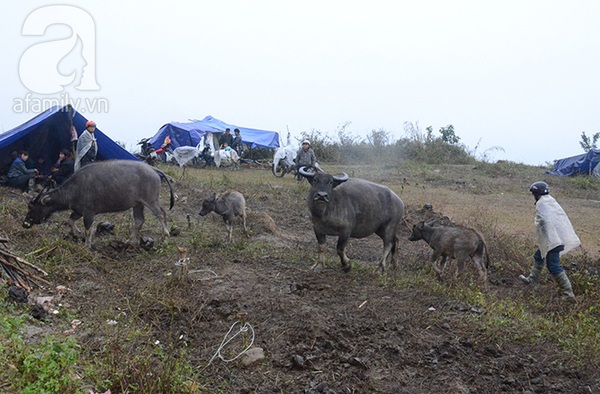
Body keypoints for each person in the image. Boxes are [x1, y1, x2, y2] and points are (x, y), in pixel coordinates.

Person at [519, 181, 580, 301]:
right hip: (556, 237)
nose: (533, 196)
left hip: (554, 240)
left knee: (553, 266)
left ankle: (568, 294)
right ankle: (532, 279)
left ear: (537, 193)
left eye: (533, 194)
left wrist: (543, 230)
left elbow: (544, 221)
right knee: (539, 256)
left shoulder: (542, 203)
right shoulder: (551, 201)